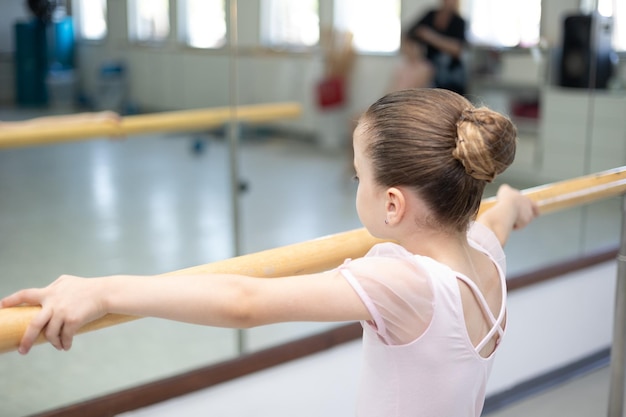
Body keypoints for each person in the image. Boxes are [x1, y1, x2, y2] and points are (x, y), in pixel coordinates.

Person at [0, 88, 538, 416]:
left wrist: (103, 289)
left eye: (359, 175)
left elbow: (244, 302)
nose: (357, 185)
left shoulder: (405, 284)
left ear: (392, 204)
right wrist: (512, 202)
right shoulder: (487, 258)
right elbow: (495, 219)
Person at [407, 0, 468, 95]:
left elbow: (457, 49)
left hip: (449, 70)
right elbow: (409, 34)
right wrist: (413, 56)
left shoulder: (459, 22)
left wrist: (430, 36)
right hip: (428, 65)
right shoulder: (430, 15)